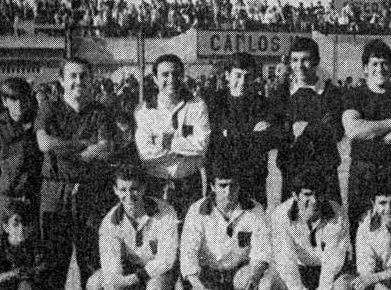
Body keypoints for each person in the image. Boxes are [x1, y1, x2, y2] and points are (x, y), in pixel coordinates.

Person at [35, 57, 116, 290]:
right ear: (61, 80)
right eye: (72, 76)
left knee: (90, 259)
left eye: (83, 76)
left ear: (91, 80)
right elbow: (44, 143)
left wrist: (65, 149)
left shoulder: (99, 111)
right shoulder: (50, 108)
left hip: (90, 192)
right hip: (56, 191)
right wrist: (82, 145)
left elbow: (105, 148)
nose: (78, 82)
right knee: (54, 261)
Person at [85, 165, 179, 290]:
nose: (129, 195)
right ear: (115, 190)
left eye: (134, 189)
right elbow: (111, 271)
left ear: (143, 188)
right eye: (123, 190)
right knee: (95, 284)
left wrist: (134, 278)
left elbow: (167, 259)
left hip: (154, 273)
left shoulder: (165, 212)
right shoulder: (109, 223)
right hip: (127, 274)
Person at [179, 161, 271, 290]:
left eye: (233, 185)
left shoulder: (255, 209)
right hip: (210, 275)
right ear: (212, 186)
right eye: (222, 185)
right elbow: (188, 254)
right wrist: (199, 288)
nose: (228, 191)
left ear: (239, 185)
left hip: (240, 273)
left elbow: (262, 250)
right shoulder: (197, 210)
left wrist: (254, 276)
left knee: (251, 285)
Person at [261, 173, 354, 290]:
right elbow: (286, 260)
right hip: (299, 269)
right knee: (267, 287)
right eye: (307, 194)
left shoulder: (338, 214)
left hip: (327, 271)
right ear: (295, 196)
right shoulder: (280, 214)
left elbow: (332, 263)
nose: (314, 200)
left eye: (319, 194)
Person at [342, 39, 391, 232]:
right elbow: (353, 130)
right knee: (361, 227)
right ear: (365, 68)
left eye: (385, 63)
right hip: (363, 172)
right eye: (375, 64)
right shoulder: (354, 95)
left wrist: (373, 135)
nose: (380, 69)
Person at [136, 54, 211, 218]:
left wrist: (163, 141)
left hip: (189, 182)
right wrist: (184, 151)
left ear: (182, 77)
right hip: (155, 182)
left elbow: (201, 145)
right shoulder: (144, 110)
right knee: (158, 229)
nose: (171, 79)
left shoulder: (197, 105)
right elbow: (145, 153)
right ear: (155, 79)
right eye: (165, 75)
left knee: (190, 228)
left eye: (176, 74)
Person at [271, 37, 343, 204]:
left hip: (324, 173)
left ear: (316, 61)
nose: (300, 66)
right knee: (292, 218)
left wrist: (307, 128)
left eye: (305, 60)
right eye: (295, 60)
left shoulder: (331, 93)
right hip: (291, 172)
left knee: (329, 218)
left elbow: (336, 132)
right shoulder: (281, 93)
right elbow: (275, 131)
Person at [206, 53, 279, 208]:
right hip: (223, 179)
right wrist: (250, 134)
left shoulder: (262, 104)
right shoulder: (215, 102)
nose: (243, 82)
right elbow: (212, 141)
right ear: (227, 75)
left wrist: (230, 135)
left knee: (253, 219)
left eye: (248, 76)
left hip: (252, 178)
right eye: (238, 75)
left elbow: (267, 141)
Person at [0, 77, 42, 231]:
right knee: (2, 239)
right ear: (5, 101)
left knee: (31, 239)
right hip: (6, 197)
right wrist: (0, 188)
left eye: (23, 99)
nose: (19, 105)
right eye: (13, 100)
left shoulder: (36, 125)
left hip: (31, 197)